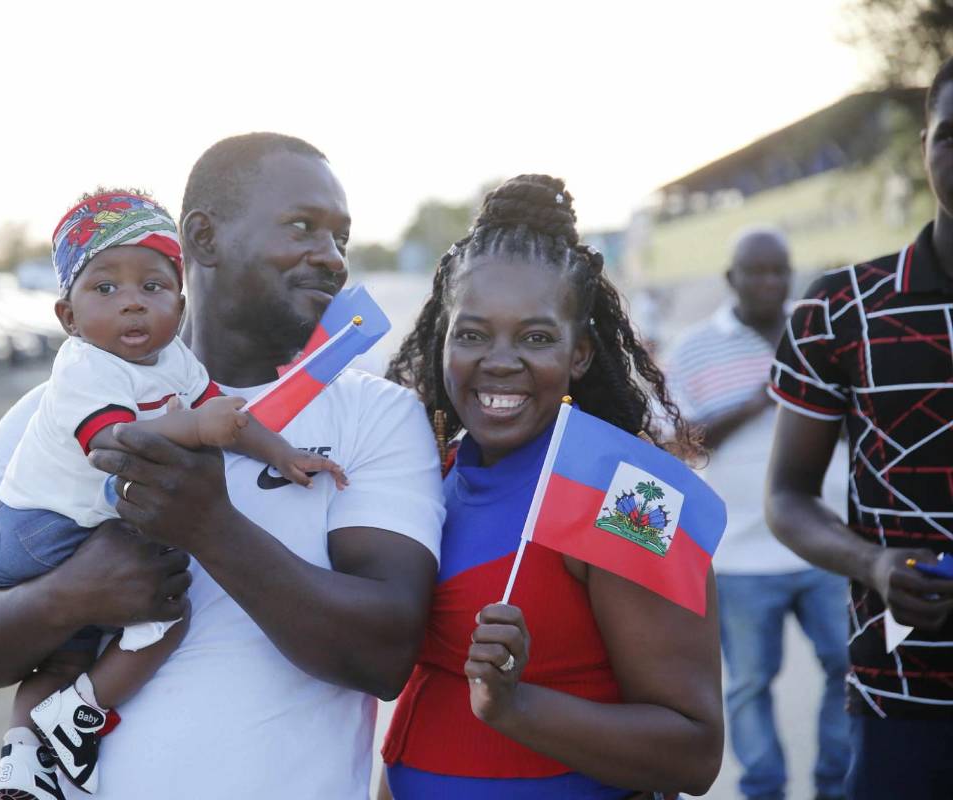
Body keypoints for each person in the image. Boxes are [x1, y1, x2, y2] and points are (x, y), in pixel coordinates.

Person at [0, 133, 445, 799]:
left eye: (340, 237)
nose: (332, 257)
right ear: (203, 238)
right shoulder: (51, 411)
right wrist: (72, 594)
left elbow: (384, 655)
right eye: (302, 227)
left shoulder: (378, 416)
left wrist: (210, 526)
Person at [0, 188, 346, 797]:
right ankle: (80, 717)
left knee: (65, 658)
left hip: (68, 527)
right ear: (68, 316)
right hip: (39, 531)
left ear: (179, 305)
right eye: (105, 288)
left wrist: (283, 454)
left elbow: (227, 416)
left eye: (152, 287)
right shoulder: (83, 367)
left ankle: (22, 759)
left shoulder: (173, 360)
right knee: (165, 613)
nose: (131, 302)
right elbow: (112, 441)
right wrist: (197, 428)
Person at [381, 174, 724, 799]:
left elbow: (693, 751)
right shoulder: (431, 473)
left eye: (536, 338)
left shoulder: (629, 492)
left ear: (581, 353)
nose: (499, 360)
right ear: (443, 339)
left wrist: (518, 708)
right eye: (472, 334)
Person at [766, 58, 953, 800]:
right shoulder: (841, 311)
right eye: (951, 135)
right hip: (900, 695)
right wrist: (873, 564)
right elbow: (787, 497)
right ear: (925, 147)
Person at [665, 228, 849, 800]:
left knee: (851, 669)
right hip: (741, 555)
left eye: (779, 271)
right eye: (757, 271)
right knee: (748, 684)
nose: (770, 282)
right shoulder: (694, 348)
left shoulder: (822, 331)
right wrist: (761, 397)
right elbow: (681, 443)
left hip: (830, 542)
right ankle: (764, 790)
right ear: (732, 278)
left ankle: (835, 784)